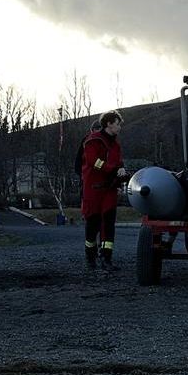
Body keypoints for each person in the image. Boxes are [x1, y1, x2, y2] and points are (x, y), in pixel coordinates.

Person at [80, 111, 126, 272]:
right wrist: (113, 169)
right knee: (92, 223)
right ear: (109, 124)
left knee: (108, 223)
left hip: (109, 189)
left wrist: (121, 170)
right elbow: (93, 162)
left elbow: (118, 161)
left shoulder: (116, 145)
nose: (120, 127)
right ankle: (90, 257)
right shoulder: (93, 141)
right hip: (93, 188)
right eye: (118, 123)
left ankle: (107, 258)